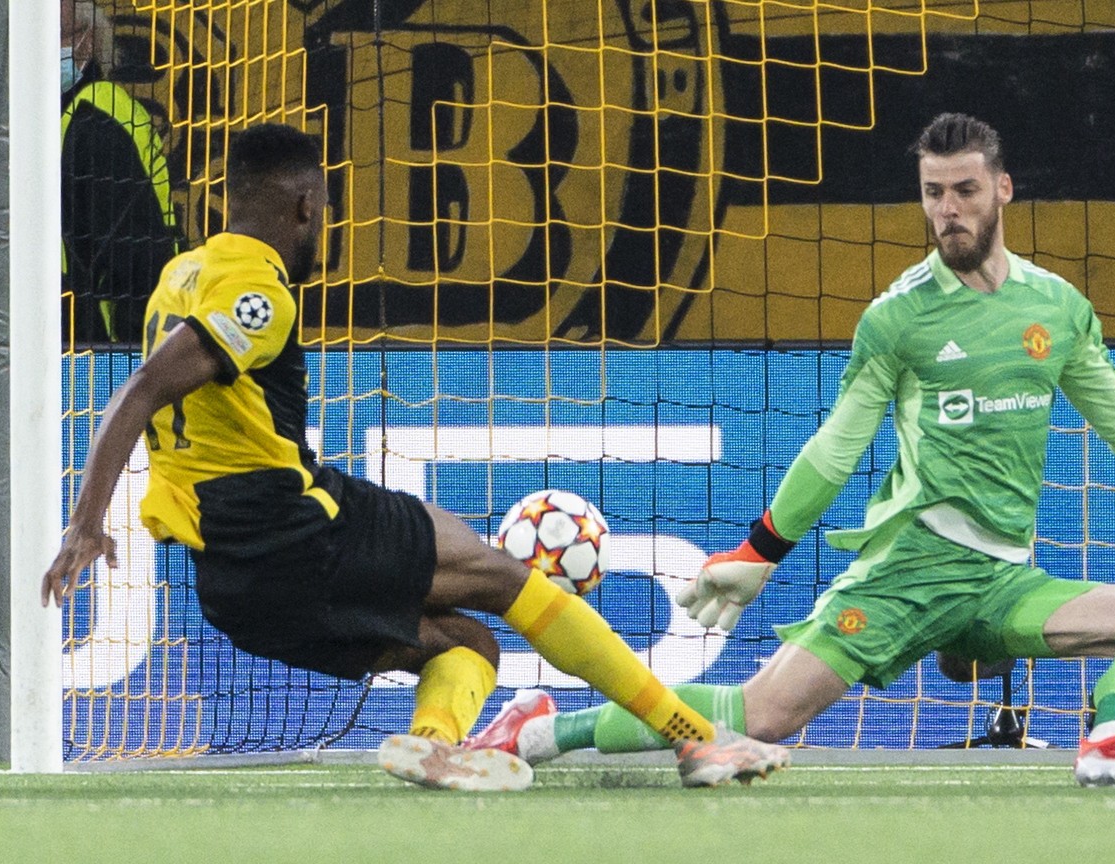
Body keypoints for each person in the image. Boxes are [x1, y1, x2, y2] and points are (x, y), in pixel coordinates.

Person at [466, 113, 1115, 788]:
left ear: (1002, 190)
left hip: (1003, 577)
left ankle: (1109, 740)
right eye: (933, 193)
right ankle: (542, 724)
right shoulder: (898, 318)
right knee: (760, 718)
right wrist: (759, 553)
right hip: (913, 568)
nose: (948, 209)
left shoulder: (1057, 310)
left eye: (965, 191)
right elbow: (837, 448)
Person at [39, 122, 790, 791]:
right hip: (290, 533)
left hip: (233, 588)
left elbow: (144, 386)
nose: (321, 225)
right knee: (505, 578)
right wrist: (85, 521)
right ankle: (697, 742)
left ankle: (431, 745)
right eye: (323, 211)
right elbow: (141, 388)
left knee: (467, 642)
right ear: (305, 206)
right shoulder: (256, 290)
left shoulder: (179, 275)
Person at [61, 0, 180, 344]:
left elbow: (137, 259)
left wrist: (134, 372)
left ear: (85, 41)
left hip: (93, 358)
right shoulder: (52, 116)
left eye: (48, 36)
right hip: (59, 345)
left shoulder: (99, 122)